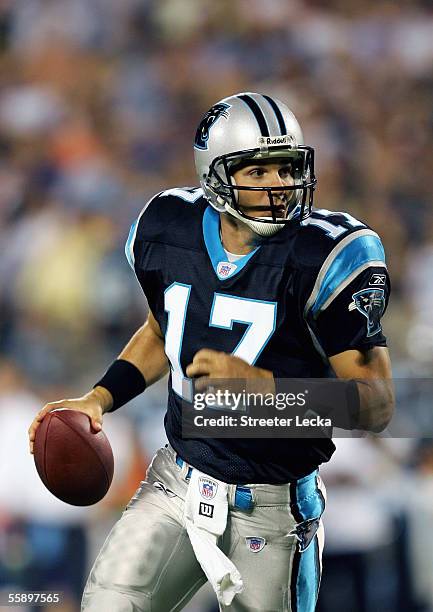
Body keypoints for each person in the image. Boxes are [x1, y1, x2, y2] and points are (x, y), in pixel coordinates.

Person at [28, 92, 394, 612]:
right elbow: (160, 331)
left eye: (286, 169)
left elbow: (377, 406)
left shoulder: (328, 254)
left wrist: (266, 390)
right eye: (258, 171)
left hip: (271, 505)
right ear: (215, 176)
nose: (278, 186)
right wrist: (99, 398)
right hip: (178, 480)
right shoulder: (167, 225)